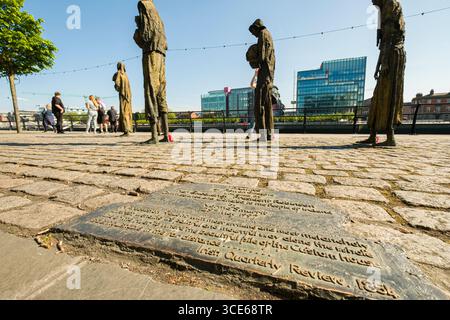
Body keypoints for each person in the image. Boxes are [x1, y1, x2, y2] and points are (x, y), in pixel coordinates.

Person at [358, 0, 406, 147]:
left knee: (390, 95)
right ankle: (372, 134)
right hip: (387, 55)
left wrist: (384, 62)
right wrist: (379, 63)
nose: (371, 1)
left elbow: (391, 36)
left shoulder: (390, 3)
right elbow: (385, 41)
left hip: (393, 56)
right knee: (378, 97)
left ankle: (390, 136)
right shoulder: (383, 8)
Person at [134, 0, 170, 144]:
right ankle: (166, 135)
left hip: (150, 55)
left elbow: (145, 37)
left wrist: (137, 31)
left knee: (150, 91)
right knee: (161, 93)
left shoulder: (144, 12)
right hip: (161, 56)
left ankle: (154, 135)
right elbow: (166, 44)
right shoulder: (160, 20)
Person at [247, 19, 276, 142]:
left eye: (253, 31)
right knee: (267, 104)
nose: (253, 34)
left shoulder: (263, 34)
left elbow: (262, 56)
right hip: (269, 74)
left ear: (256, 27)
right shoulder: (268, 34)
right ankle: (269, 134)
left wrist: (252, 57)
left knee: (260, 105)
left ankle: (264, 134)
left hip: (264, 74)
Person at [113, 62, 133, 136]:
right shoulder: (126, 75)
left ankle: (126, 130)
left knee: (124, 112)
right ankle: (128, 129)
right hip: (128, 95)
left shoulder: (119, 73)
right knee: (127, 112)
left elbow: (116, 83)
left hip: (123, 95)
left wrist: (117, 88)